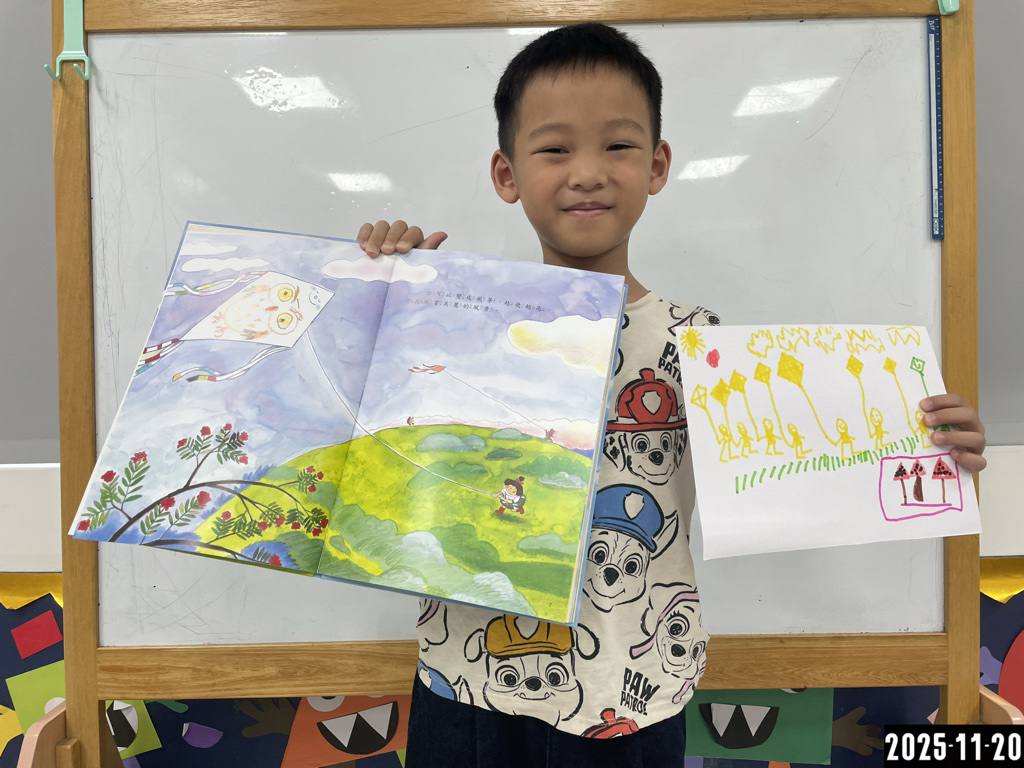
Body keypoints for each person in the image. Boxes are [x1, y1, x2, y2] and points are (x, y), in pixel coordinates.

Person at [356, 23, 988, 767]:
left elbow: (782, 475)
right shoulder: (453, 323)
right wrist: (383, 306)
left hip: (632, 691)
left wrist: (926, 448)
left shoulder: (699, 344)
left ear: (656, 165)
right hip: (467, 681)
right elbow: (370, 451)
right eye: (554, 149)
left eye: (618, 146)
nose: (587, 172)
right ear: (506, 173)